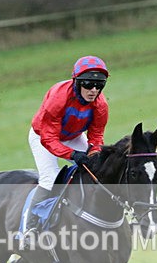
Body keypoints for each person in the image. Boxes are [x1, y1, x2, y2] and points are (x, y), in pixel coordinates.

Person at [23, 55, 110, 239]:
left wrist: (93, 153)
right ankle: (30, 228)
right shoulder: (58, 98)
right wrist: (72, 155)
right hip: (42, 136)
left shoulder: (101, 105)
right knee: (50, 177)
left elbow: (96, 136)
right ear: (76, 81)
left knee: (95, 167)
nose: (94, 90)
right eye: (88, 83)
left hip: (73, 136)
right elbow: (49, 138)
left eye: (99, 85)